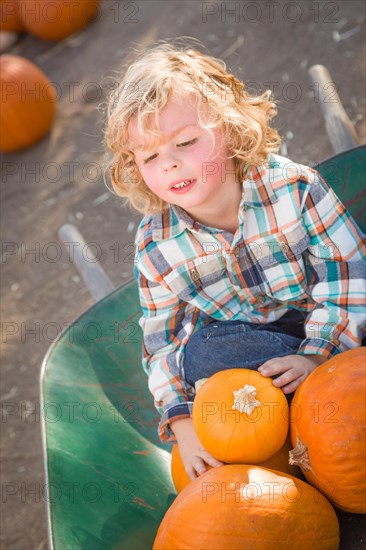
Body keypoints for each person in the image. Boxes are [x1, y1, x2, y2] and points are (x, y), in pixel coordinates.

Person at [105, 40, 366, 481]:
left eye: (185, 142)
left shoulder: (295, 189)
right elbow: (163, 343)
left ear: (228, 128)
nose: (168, 164)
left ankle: (322, 392)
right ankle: (294, 418)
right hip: (257, 354)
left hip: (334, 324)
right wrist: (183, 420)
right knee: (204, 351)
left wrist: (318, 356)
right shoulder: (156, 245)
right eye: (150, 156)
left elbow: (347, 277)